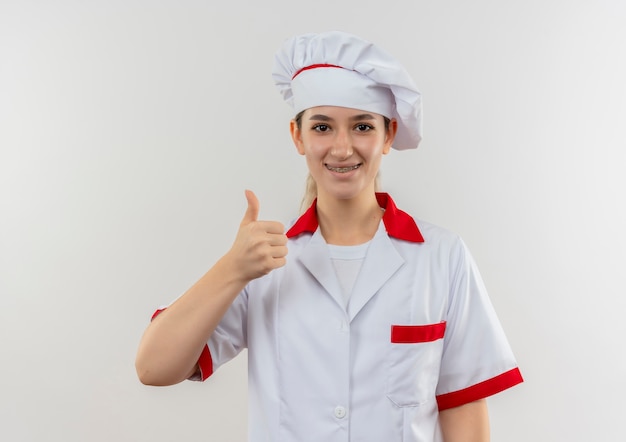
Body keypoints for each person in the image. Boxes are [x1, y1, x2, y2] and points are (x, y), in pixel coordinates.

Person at [135, 31, 523, 442]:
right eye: (322, 127)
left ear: (388, 135)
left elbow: (462, 407)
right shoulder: (262, 262)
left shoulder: (442, 258)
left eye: (361, 126)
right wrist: (231, 270)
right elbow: (153, 368)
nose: (341, 148)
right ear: (297, 136)